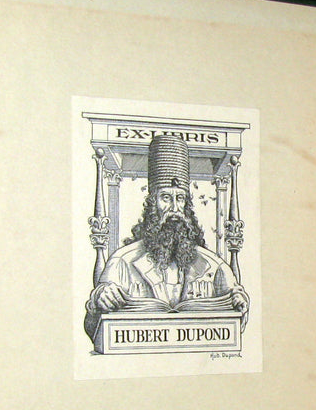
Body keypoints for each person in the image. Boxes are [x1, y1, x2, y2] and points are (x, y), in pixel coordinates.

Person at [85, 135, 248, 335]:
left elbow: (238, 323)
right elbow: (92, 328)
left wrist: (240, 301)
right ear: (152, 204)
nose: (174, 208)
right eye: (166, 198)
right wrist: (100, 299)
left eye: (180, 199)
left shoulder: (214, 265)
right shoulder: (122, 261)